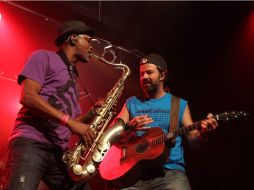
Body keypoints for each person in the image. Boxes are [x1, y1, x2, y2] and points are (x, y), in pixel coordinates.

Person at [3, 20, 99, 190]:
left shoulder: (73, 78)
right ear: (73, 38)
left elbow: (69, 122)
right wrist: (70, 121)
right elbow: (28, 96)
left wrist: (91, 115)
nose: (91, 47)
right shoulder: (43, 56)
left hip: (59, 152)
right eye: (88, 40)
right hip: (31, 142)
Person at [111, 53, 218, 190]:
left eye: (149, 72)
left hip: (170, 174)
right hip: (134, 174)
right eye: (141, 74)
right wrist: (128, 128)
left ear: (162, 75)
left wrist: (204, 133)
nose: (144, 77)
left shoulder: (178, 104)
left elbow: (194, 142)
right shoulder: (131, 103)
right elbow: (112, 135)